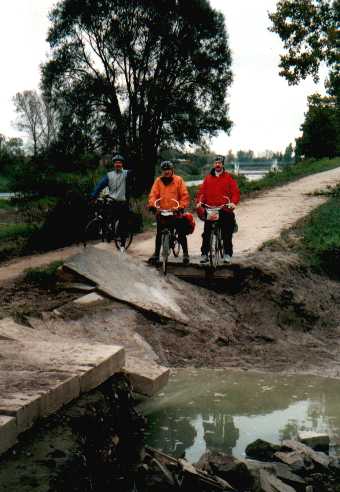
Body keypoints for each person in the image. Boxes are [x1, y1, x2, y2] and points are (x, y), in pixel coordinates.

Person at [196, 155, 240, 264]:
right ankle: (205, 253)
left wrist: (233, 203)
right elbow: (202, 193)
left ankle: (227, 253)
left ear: (223, 164)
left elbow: (235, 192)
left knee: (227, 232)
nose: (217, 165)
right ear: (213, 164)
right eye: (216, 163)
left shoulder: (228, 177)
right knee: (206, 232)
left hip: (224, 208)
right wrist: (200, 202)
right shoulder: (208, 178)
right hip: (210, 208)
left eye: (219, 163)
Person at [148, 161, 190, 264]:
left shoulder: (178, 180)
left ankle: (185, 254)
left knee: (181, 232)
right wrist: (153, 205)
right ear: (162, 171)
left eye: (168, 170)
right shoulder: (158, 181)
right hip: (162, 211)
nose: (166, 172)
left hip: (175, 211)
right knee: (159, 233)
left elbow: (184, 195)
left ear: (172, 170)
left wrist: (180, 207)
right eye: (164, 170)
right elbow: (153, 195)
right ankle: (156, 254)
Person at [91, 153, 133, 250]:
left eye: (119, 163)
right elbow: (100, 185)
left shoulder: (126, 173)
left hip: (123, 202)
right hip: (112, 202)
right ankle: (109, 235)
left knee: (123, 223)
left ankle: (122, 244)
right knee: (108, 219)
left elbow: (135, 174)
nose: (118, 164)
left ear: (122, 164)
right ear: (113, 164)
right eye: (116, 163)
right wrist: (93, 196)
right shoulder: (109, 175)